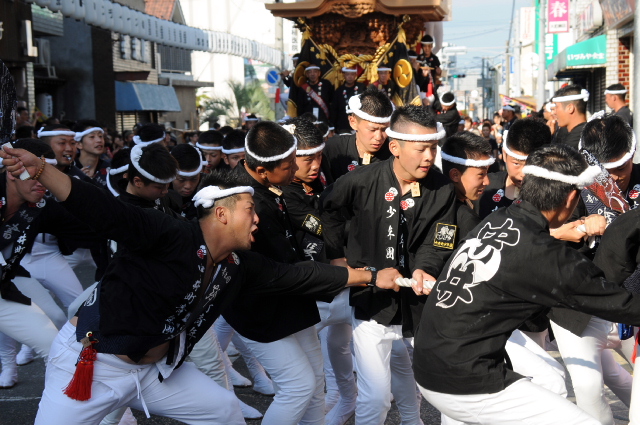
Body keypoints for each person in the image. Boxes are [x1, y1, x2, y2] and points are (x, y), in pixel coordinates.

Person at [0, 142, 403, 425]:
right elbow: (103, 210)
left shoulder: (237, 264)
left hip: (156, 372)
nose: (257, 218)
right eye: (250, 210)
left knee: (224, 411)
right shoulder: (168, 233)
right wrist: (42, 169)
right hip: (93, 364)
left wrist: (370, 275)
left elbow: (298, 274)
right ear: (222, 215)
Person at [412, 143, 640, 425]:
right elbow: (622, 304)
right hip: (462, 379)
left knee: (551, 378)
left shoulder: (497, 219)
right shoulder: (545, 255)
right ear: (572, 197)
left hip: (429, 360)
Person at [321, 105, 457, 425]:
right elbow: (328, 210)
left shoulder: (441, 188)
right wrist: (339, 258)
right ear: (395, 147)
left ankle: (412, 419)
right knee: (375, 397)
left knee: (415, 370)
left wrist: (425, 268)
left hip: (415, 300)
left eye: (433, 148)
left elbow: (440, 238)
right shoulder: (361, 180)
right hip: (371, 300)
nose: (428, 157)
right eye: (420, 149)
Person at [223, 121, 336, 425]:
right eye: (289, 166)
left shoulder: (269, 185)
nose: (295, 170)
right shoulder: (243, 202)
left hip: (292, 299)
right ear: (262, 170)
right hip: (260, 308)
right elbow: (269, 269)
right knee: (298, 387)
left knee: (315, 381)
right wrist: (339, 275)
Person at [547, 113, 638, 425]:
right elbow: (544, 232)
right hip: (583, 305)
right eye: (606, 172)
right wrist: (582, 225)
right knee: (588, 388)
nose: (614, 179)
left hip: (634, 306)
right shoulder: (572, 186)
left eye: (621, 169)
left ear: (632, 153)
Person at [0, 139, 94, 389]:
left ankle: (68, 401)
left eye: (47, 174)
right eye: (35, 174)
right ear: (11, 172)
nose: (43, 183)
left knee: (53, 337)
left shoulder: (40, 206)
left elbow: (90, 226)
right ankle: (8, 364)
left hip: (8, 279)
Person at [476, 118, 550, 219]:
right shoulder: (486, 186)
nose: (523, 173)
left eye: (531, 165)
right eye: (516, 163)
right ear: (505, 155)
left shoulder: (552, 196)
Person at [323, 86, 394, 180]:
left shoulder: (395, 154)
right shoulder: (333, 149)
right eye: (372, 130)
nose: (378, 137)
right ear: (353, 122)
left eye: (384, 130)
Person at [168, 144, 206, 220]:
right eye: (181, 180)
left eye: (194, 179)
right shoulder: (160, 191)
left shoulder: (208, 189)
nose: (188, 186)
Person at [73, 120, 110, 188]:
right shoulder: (70, 170)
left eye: (100, 136)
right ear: (78, 144)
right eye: (92, 137)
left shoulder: (110, 169)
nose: (99, 140)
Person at [551, 85, 588, 150]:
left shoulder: (579, 137)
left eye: (556, 107)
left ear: (570, 108)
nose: (554, 113)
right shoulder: (579, 132)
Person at [331, 67, 365, 134]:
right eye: (347, 74)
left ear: (355, 75)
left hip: (359, 124)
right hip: (343, 125)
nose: (350, 77)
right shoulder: (339, 91)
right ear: (344, 75)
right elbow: (334, 110)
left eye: (352, 74)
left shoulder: (361, 87)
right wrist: (333, 125)